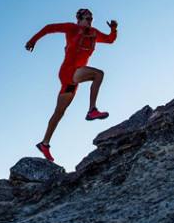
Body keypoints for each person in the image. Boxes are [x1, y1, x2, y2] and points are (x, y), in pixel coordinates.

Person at [25, 8, 118, 162]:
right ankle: (92, 110)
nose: (90, 21)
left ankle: (44, 144)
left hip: (74, 78)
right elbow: (49, 28)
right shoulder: (71, 28)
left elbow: (109, 40)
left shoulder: (94, 33)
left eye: (91, 18)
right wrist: (32, 40)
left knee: (59, 113)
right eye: (87, 18)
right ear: (79, 19)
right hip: (68, 71)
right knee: (98, 74)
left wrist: (113, 29)